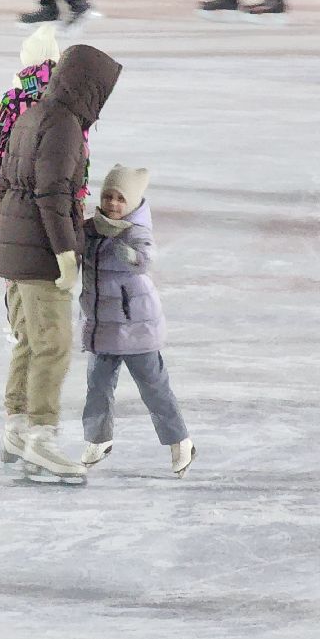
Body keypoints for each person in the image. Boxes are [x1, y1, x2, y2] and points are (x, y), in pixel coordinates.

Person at [0, 44, 121, 484]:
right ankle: (41, 437)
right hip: (39, 251)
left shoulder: (31, 116)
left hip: (15, 245)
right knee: (54, 344)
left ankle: (17, 425)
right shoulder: (64, 125)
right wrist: (67, 252)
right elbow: (52, 193)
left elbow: (10, 183)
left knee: (28, 341)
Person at [78, 165, 195, 476]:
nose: (113, 204)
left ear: (131, 203)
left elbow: (144, 258)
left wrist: (126, 253)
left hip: (135, 326)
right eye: (108, 197)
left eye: (120, 199)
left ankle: (180, 441)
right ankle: (97, 439)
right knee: (97, 386)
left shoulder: (135, 231)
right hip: (102, 325)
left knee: (154, 387)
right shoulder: (91, 230)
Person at [0, 24, 62, 231]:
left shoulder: (12, 99)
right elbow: (80, 146)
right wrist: (78, 194)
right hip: (55, 188)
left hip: (14, 187)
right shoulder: (67, 98)